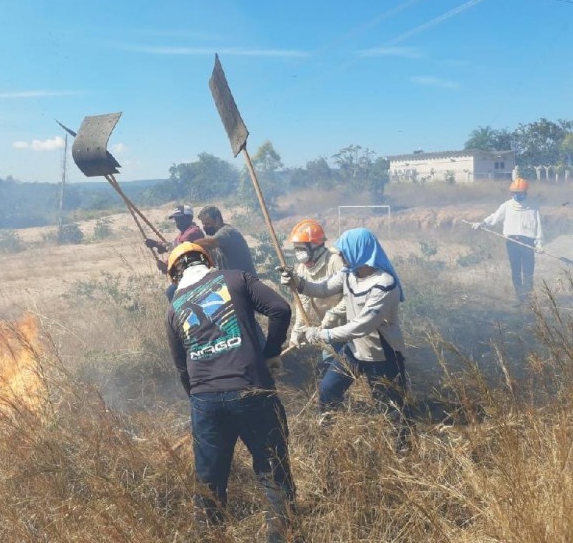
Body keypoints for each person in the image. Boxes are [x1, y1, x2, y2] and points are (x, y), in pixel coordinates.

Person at [165, 242, 295, 542]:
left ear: (174, 276)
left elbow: (182, 368)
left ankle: (210, 536)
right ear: (208, 261)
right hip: (252, 391)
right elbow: (280, 308)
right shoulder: (237, 278)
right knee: (272, 472)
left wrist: (201, 400)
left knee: (209, 482)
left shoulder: (174, 310)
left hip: (206, 400)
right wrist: (270, 352)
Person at [279, 227, 410, 451]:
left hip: (382, 353)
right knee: (329, 389)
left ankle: (403, 449)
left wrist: (322, 333)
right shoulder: (349, 273)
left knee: (390, 405)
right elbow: (322, 289)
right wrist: (297, 282)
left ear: (359, 251)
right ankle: (327, 434)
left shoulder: (385, 284)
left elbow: (361, 326)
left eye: (344, 251)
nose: (340, 256)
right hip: (353, 350)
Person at [287, 219, 346, 377]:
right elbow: (303, 304)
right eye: (296, 249)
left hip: (351, 327)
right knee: (329, 372)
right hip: (328, 332)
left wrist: (331, 316)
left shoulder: (335, 261)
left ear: (314, 246)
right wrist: (297, 331)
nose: (298, 253)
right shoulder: (302, 269)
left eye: (301, 248)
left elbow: (350, 297)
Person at [471, 178, 544, 303]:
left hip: (528, 243)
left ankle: (530, 299)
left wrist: (539, 243)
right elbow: (495, 217)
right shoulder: (507, 206)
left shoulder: (533, 206)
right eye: (515, 193)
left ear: (526, 192)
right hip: (512, 242)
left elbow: (538, 225)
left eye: (520, 193)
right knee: (515, 270)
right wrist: (482, 223)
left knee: (528, 272)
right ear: (511, 193)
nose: (517, 195)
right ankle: (519, 297)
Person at [145, 205, 205, 299]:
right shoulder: (182, 234)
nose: (177, 222)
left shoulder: (193, 232)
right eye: (176, 219)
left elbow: (179, 249)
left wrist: (158, 244)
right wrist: (166, 265)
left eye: (180, 219)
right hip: (186, 273)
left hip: (197, 272)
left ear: (189, 218)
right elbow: (174, 249)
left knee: (171, 292)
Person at [195, 205, 257, 275]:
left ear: (217, 220)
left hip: (245, 279)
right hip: (230, 279)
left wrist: (191, 245)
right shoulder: (212, 236)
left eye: (207, 224)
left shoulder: (227, 232)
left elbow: (211, 243)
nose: (204, 227)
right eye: (203, 224)